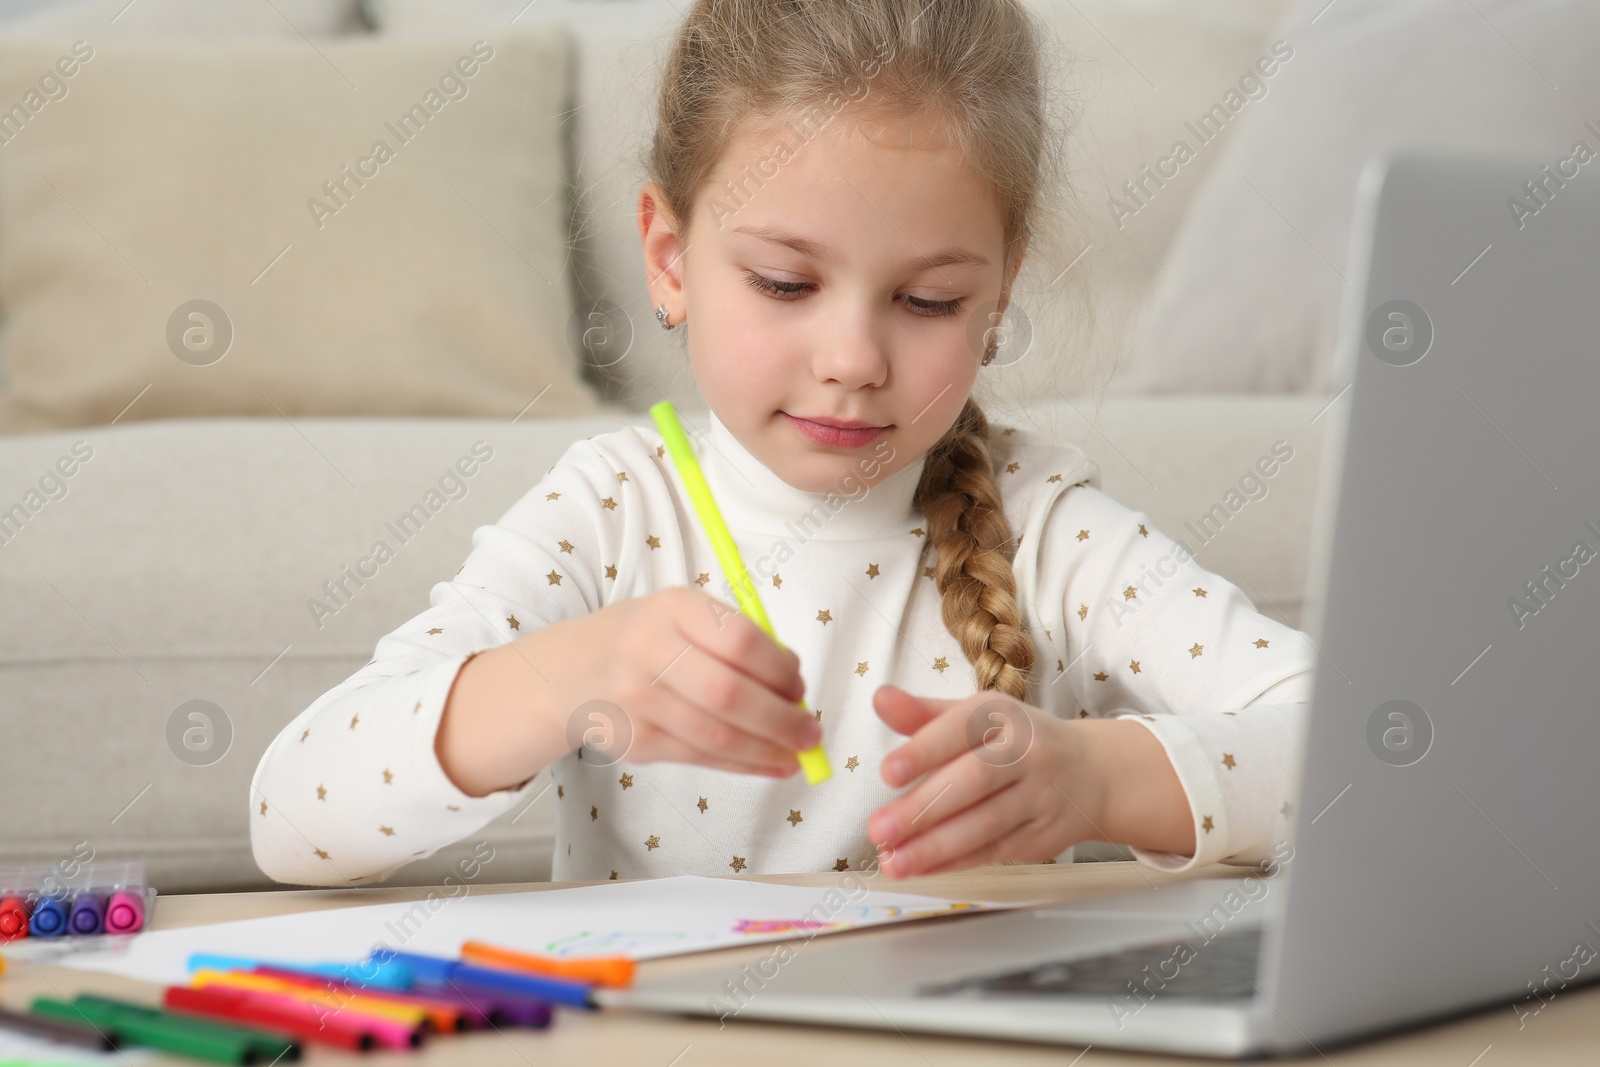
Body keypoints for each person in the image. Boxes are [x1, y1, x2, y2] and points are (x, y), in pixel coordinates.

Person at [250, 0, 1313, 888]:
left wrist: (1096, 775)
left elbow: (1368, 751)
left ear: (999, 294)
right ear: (668, 258)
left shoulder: (1042, 526)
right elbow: (291, 817)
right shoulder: (617, 512)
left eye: (929, 298)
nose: (852, 356)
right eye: (785, 284)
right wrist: (560, 676)